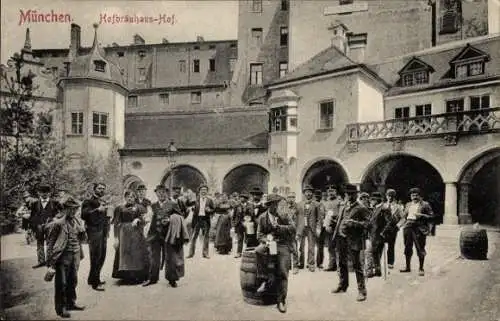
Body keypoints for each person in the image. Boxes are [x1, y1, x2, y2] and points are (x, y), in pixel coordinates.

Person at [45, 196, 86, 318]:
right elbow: (50, 243)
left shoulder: (77, 222)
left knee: (73, 280)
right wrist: (50, 262)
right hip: (62, 256)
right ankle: (61, 308)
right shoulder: (57, 223)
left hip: (75, 254)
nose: (73, 212)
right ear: (65, 209)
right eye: (70, 209)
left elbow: (83, 239)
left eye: (75, 209)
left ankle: (71, 303)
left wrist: (83, 232)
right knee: (61, 283)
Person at [254, 193, 295, 313]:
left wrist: (279, 227)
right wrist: (266, 240)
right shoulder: (262, 217)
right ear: (269, 205)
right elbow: (259, 234)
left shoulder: (284, 215)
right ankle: (263, 278)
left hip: (282, 244)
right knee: (258, 251)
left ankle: (281, 301)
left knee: (282, 271)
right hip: (269, 244)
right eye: (273, 204)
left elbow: (292, 228)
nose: (275, 207)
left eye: (276, 204)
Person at [331, 184, 370, 302]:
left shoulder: (361, 207)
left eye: (351, 194)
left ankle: (362, 291)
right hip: (341, 238)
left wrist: (354, 223)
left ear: (356, 195)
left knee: (357, 265)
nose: (349, 196)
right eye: (347, 194)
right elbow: (340, 220)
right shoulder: (344, 205)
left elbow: (368, 224)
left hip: (353, 239)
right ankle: (343, 285)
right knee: (341, 263)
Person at [112, 190, 149, 283]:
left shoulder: (139, 207)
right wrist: (116, 238)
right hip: (124, 234)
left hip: (136, 233)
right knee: (125, 253)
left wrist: (138, 219)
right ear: (125, 198)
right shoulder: (120, 208)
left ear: (134, 198)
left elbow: (145, 219)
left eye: (132, 197)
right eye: (128, 196)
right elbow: (116, 223)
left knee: (136, 253)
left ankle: (137, 275)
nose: (130, 198)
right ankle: (125, 276)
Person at [81, 183, 109, 291]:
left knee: (102, 255)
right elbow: (83, 215)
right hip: (93, 231)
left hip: (103, 231)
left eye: (103, 189)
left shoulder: (102, 201)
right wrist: (97, 210)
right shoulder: (88, 201)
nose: (101, 190)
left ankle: (92, 278)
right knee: (96, 256)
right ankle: (95, 283)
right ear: (94, 190)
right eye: (99, 188)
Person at [399, 188, 434, 276]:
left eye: (416, 195)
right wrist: (399, 224)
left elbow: (431, 216)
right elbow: (404, 216)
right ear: (410, 196)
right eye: (412, 195)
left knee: (420, 247)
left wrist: (421, 215)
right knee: (407, 247)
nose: (414, 197)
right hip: (408, 227)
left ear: (419, 196)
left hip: (419, 227)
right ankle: (407, 267)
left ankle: (421, 268)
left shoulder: (425, 204)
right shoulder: (408, 204)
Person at [30, 184, 62, 269]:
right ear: (39, 193)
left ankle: (50, 262)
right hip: (39, 226)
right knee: (39, 243)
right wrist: (33, 227)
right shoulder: (34, 203)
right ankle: (41, 262)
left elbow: (61, 212)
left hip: (51, 226)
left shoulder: (55, 203)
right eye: (42, 192)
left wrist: (56, 218)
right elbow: (32, 216)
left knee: (50, 243)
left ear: (49, 193)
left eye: (46, 192)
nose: (44, 194)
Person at [143, 185, 170, 287]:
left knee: (169, 257)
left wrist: (170, 220)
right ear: (156, 194)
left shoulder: (172, 204)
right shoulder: (152, 206)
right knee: (154, 257)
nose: (161, 194)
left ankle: (171, 279)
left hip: (168, 235)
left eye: (163, 192)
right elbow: (148, 219)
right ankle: (153, 279)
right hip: (155, 235)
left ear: (166, 193)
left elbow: (180, 216)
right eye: (159, 192)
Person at [296, 185, 323, 272]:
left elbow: (319, 218)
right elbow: (296, 217)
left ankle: (311, 264)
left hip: (312, 228)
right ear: (304, 193)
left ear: (312, 193)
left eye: (310, 192)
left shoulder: (317, 204)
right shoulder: (299, 204)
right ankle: (301, 263)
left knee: (311, 246)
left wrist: (318, 228)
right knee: (301, 247)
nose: (308, 193)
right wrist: (297, 229)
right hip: (301, 227)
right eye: (306, 192)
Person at [163, 201, 190, 287]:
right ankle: (172, 278)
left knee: (172, 259)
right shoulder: (177, 216)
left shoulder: (174, 213)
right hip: (171, 237)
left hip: (172, 238)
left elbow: (182, 215)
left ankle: (172, 278)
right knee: (172, 258)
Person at [187, 185, 215, 259]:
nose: (203, 191)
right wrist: (192, 208)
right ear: (199, 191)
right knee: (193, 237)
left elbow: (213, 210)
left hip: (205, 219)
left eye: (205, 190)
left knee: (206, 237)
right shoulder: (195, 200)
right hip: (197, 219)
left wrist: (210, 210)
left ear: (207, 191)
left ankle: (205, 253)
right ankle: (191, 253)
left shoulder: (210, 200)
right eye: (202, 190)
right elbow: (188, 205)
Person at [366, 192, 388, 278]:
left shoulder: (383, 209)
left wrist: (384, 232)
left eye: (372, 199)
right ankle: (378, 270)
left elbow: (389, 222)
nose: (371, 201)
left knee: (369, 252)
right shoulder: (375, 208)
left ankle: (369, 271)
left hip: (379, 234)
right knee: (376, 253)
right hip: (373, 234)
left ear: (377, 200)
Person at [320, 186, 342, 272]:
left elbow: (341, 214)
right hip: (329, 226)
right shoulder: (325, 203)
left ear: (336, 192)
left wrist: (335, 220)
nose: (331, 193)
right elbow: (324, 215)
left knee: (338, 247)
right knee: (330, 247)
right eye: (329, 191)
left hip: (337, 226)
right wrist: (326, 225)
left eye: (332, 191)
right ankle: (332, 265)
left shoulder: (339, 202)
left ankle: (340, 265)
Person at [380, 189, 403, 269]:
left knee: (391, 245)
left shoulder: (398, 207)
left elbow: (403, 218)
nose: (390, 197)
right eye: (388, 195)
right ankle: (378, 262)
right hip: (383, 228)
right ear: (386, 196)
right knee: (380, 244)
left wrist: (398, 226)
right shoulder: (383, 205)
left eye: (391, 196)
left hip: (393, 228)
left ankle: (390, 262)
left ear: (394, 197)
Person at [232, 191, 255, 258]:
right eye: (241, 197)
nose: (242, 198)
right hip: (239, 223)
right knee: (240, 238)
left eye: (244, 197)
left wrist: (249, 220)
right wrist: (233, 223)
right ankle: (239, 252)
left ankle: (248, 252)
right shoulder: (237, 205)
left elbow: (252, 215)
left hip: (248, 224)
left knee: (248, 238)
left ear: (246, 198)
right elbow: (234, 215)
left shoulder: (250, 205)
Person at [283, 192, 300, 274]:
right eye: (289, 197)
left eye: (293, 197)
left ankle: (296, 266)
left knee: (294, 249)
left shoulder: (298, 207)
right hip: (285, 231)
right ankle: (288, 265)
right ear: (286, 198)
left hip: (294, 231)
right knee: (286, 249)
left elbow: (300, 221)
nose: (291, 199)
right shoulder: (284, 207)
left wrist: (298, 232)